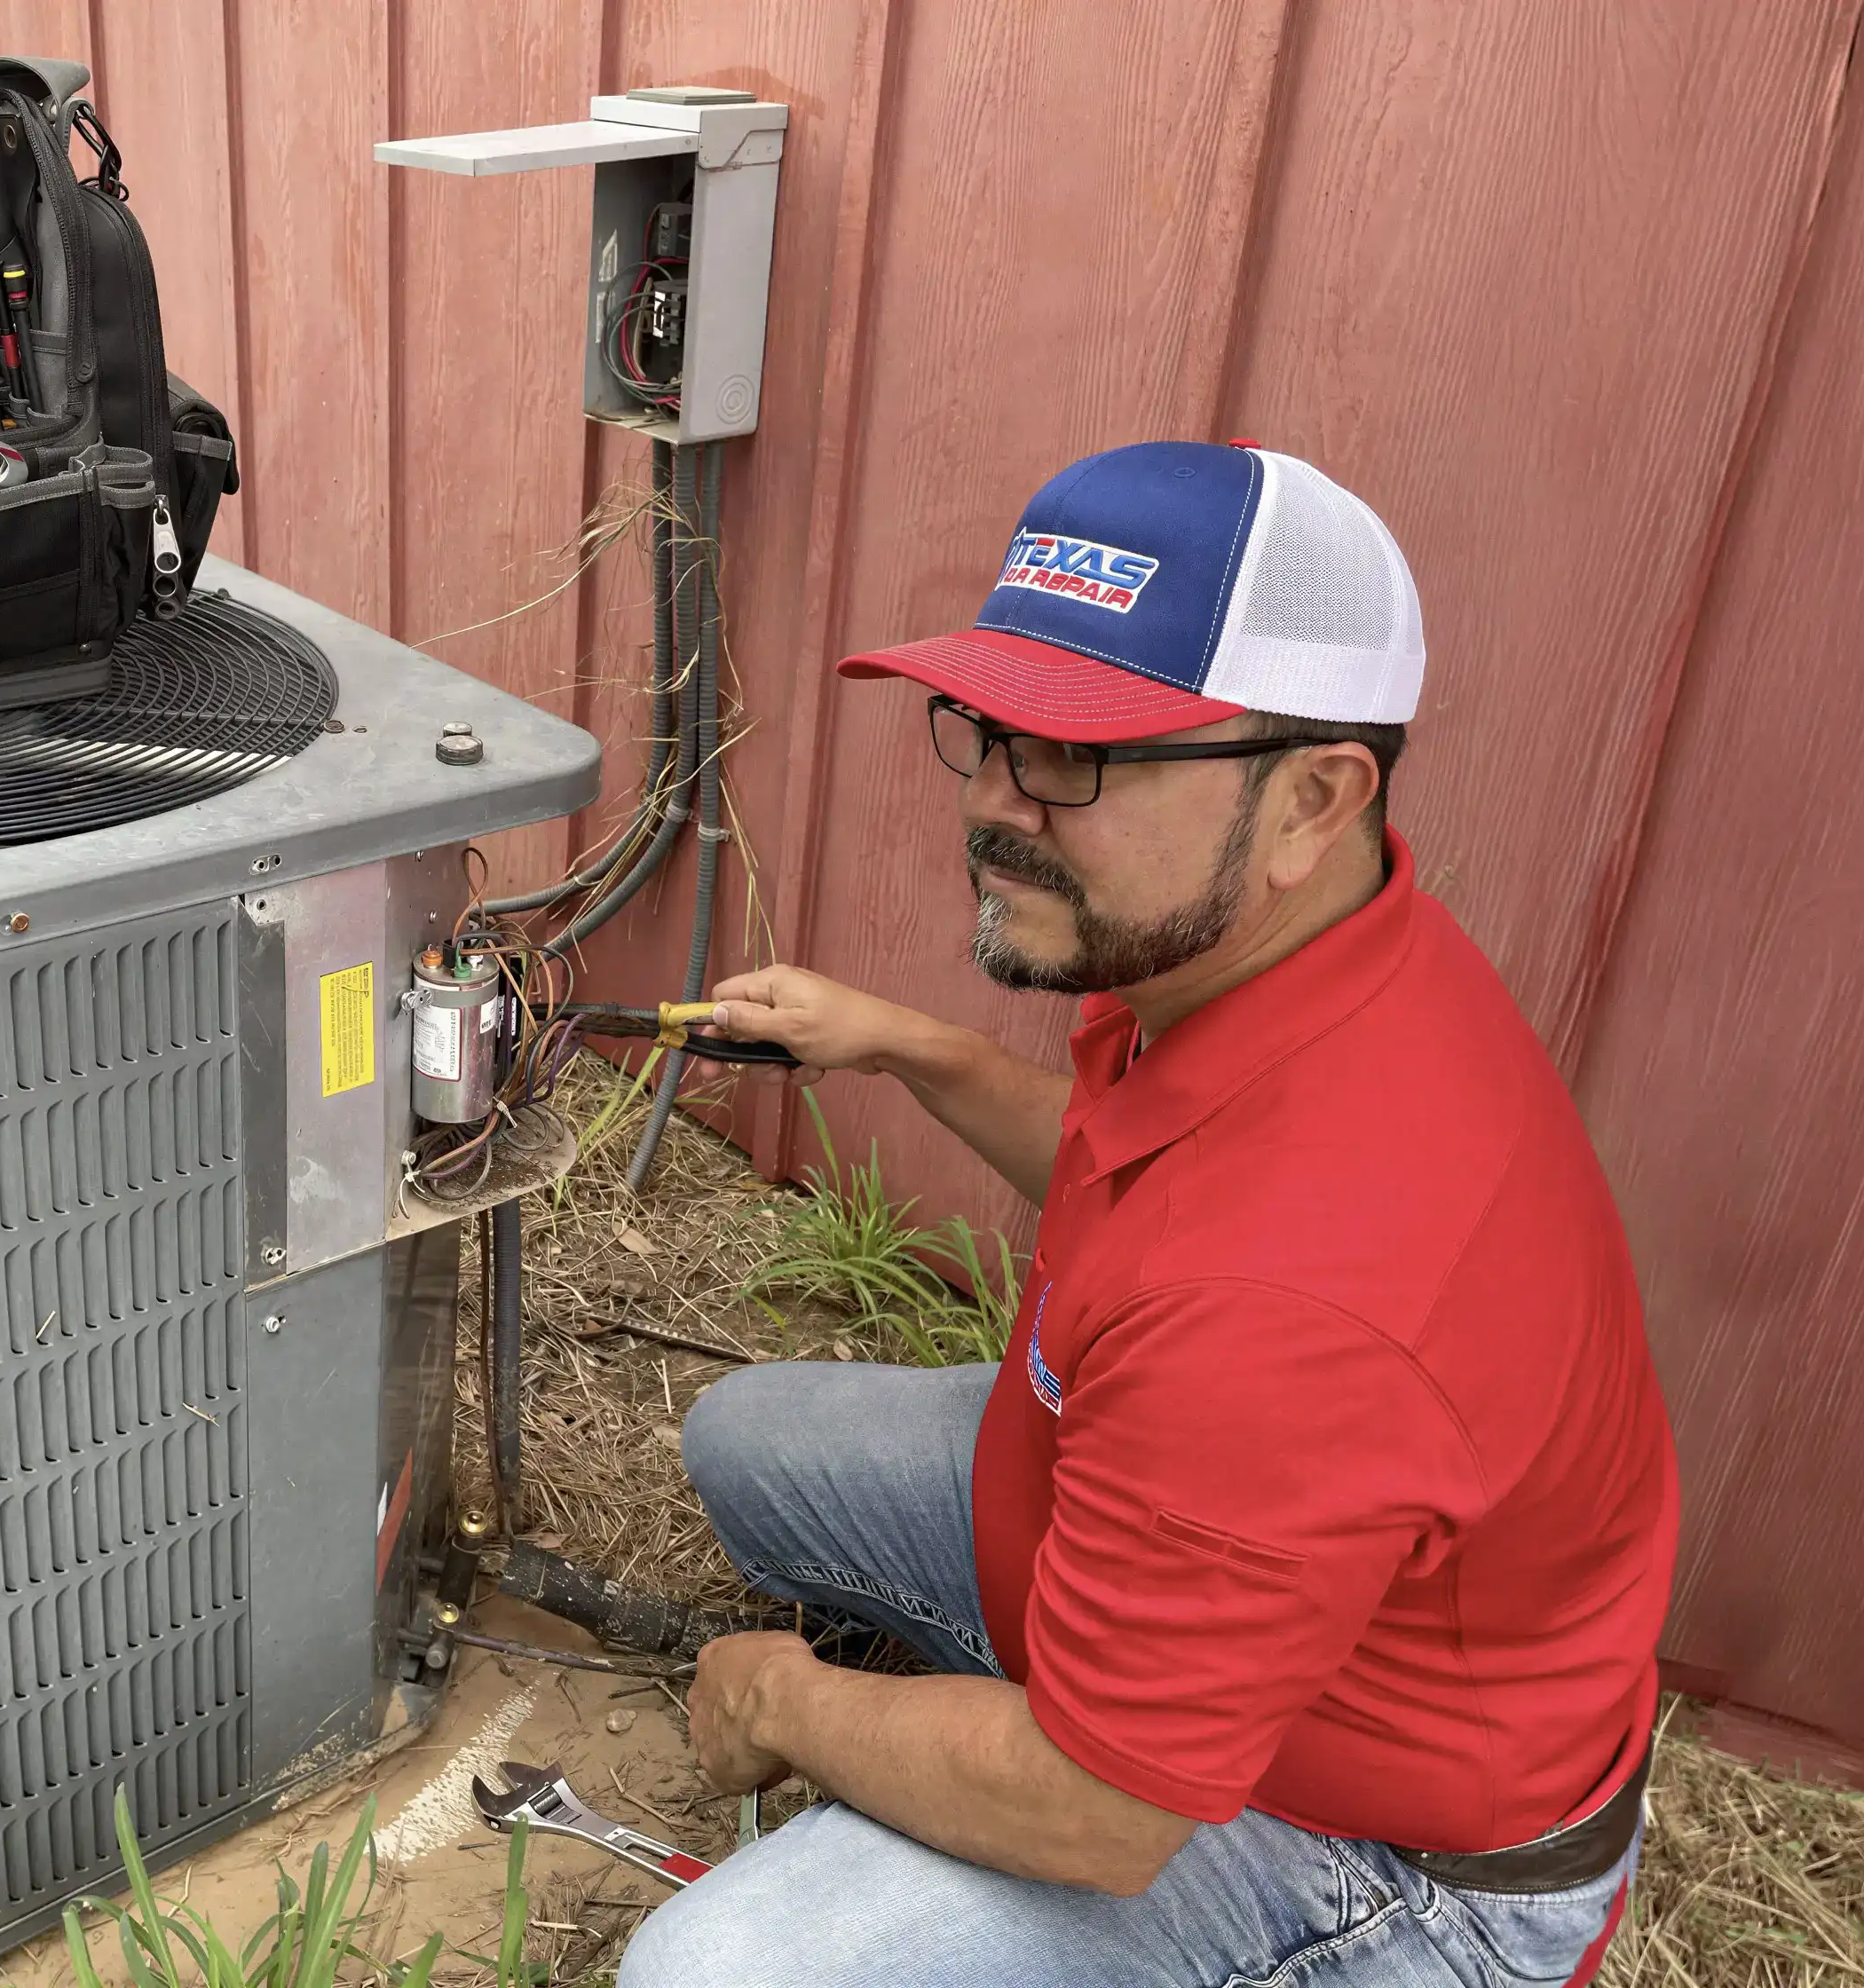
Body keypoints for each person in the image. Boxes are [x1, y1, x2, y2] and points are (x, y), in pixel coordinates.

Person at [615, 441, 1678, 1988]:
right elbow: (1139, 1181)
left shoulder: (1298, 1298)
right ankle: (1093, 1655)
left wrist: (782, 1702)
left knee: (716, 1975)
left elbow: (1099, 1815)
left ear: (1315, 797)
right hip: (1175, 1532)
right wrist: (910, 1045)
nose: (991, 803)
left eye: (1076, 758)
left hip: (1373, 1840)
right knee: (744, 1445)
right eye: (986, 729)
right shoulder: (1285, 958)